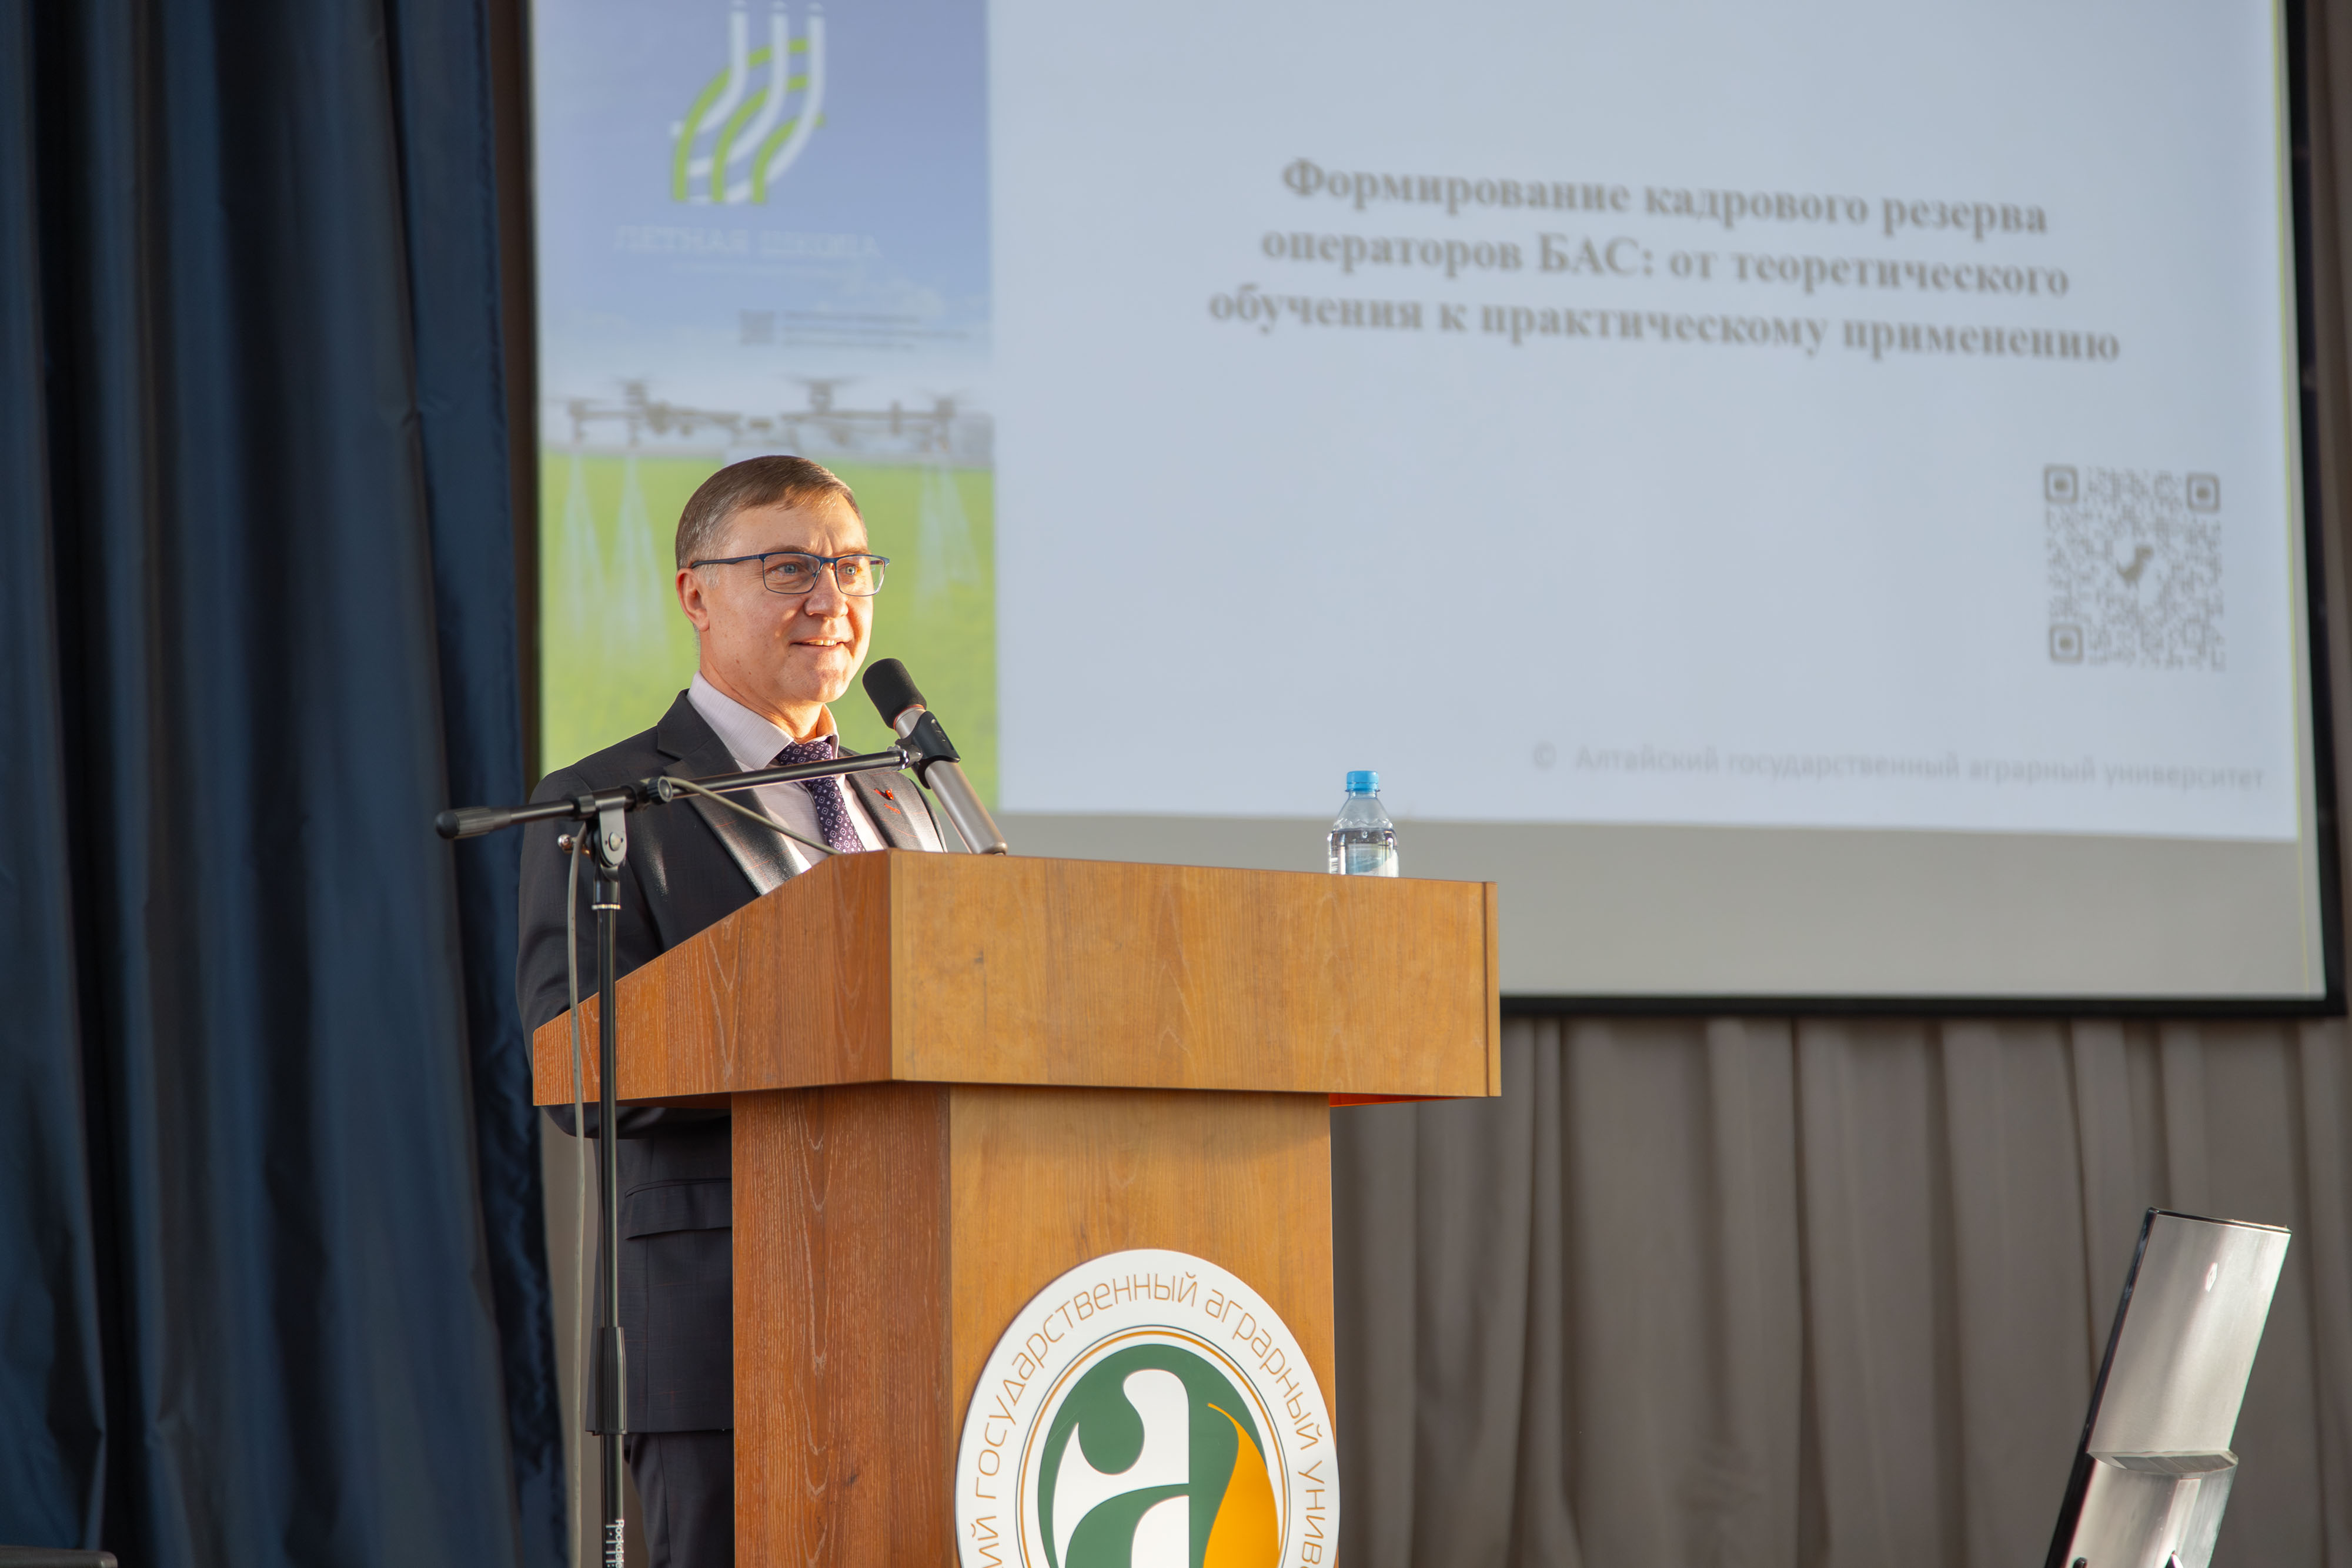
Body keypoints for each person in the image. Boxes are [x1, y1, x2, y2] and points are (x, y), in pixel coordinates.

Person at [515, 455, 949, 1568]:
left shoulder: (903, 795)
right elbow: (579, 1061)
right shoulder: (608, 801)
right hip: (722, 1311)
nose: (831, 599)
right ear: (696, 594)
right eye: (790, 568)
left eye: (852, 569)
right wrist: (815, 1034)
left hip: (923, 1300)